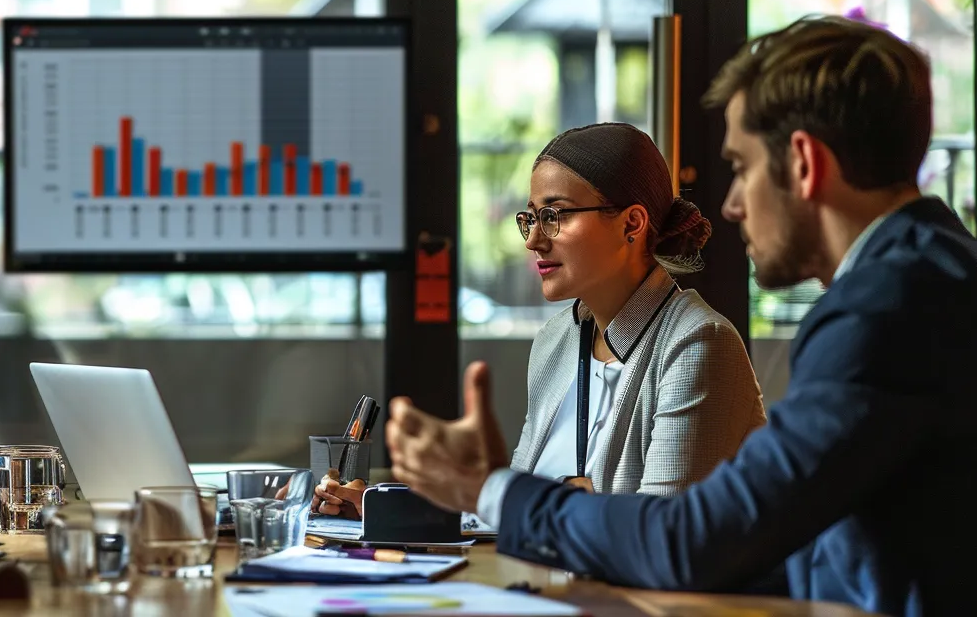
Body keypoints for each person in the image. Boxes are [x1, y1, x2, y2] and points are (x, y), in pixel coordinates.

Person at [384, 16, 977, 616]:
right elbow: (795, 543)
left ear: (803, 163)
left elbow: (693, 542)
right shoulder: (965, 275)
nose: (732, 204)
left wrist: (492, 488)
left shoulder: (887, 309)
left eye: (741, 167)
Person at [315, 124, 765, 519]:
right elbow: (505, 510)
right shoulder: (558, 339)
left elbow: (661, 535)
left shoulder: (698, 343)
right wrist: (380, 508)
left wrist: (558, 502)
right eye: (531, 217)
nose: (533, 240)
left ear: (632, 224)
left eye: (554, 215)